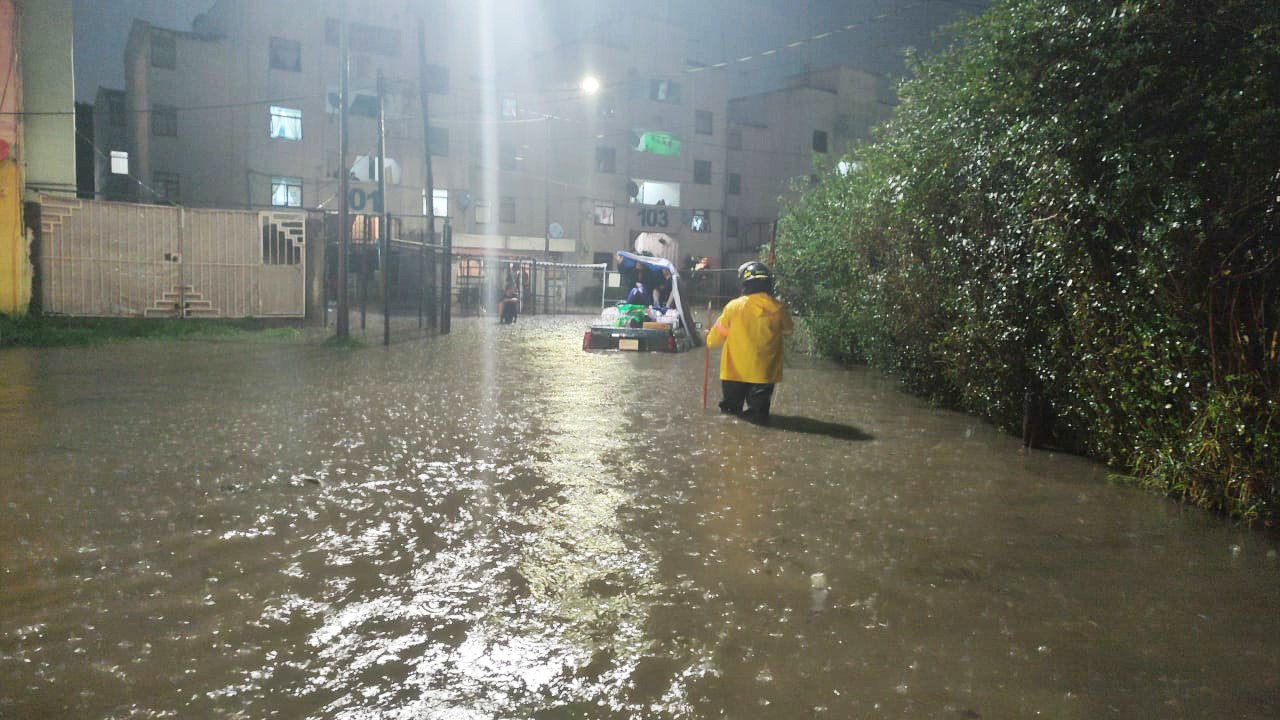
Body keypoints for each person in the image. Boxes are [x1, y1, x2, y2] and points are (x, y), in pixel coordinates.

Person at [706, 261, 793, 424]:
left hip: (733, 373)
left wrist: (708, 337)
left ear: (744, 284)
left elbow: (714, 340)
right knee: (758, 419)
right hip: (764, 373)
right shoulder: (778, 309)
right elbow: (788, 330)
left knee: (729, 416)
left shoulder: (733, 307)